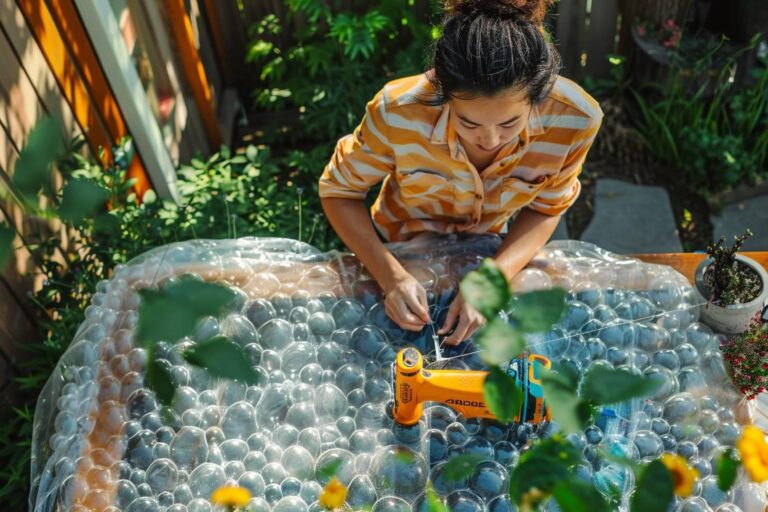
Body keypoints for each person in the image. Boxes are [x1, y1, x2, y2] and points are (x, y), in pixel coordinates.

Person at [319, 0, 603, 346]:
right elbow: (339, 192)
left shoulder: (575, 119)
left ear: (538, 97)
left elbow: (547, 207)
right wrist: (390, 276)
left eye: (510, 123)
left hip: (489, 247)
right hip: (397, 247)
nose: (489, 139)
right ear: (443, 93)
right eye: (468, 122)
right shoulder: (397, 111)